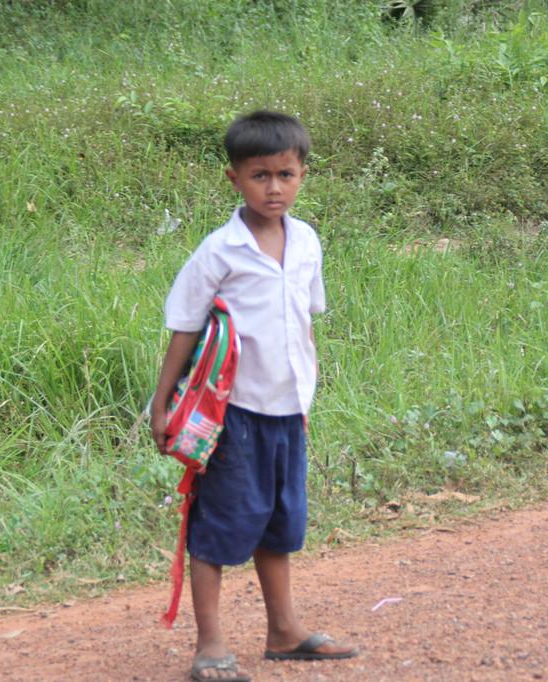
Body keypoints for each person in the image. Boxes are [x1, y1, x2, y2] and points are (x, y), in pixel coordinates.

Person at [150, 111, 358, 682]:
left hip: (289, 410)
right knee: (220, 524)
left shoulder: (308, 240)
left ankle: (284, 631)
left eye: (286, 174)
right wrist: (162, 402)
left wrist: (307, 394)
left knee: (280, 522)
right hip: (233, 415)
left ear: (303, 174)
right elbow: (185, 326)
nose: (274, 187)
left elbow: (304, 322)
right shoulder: (220, 251)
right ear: (234, 179)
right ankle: (210, 644)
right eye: (260, 175)